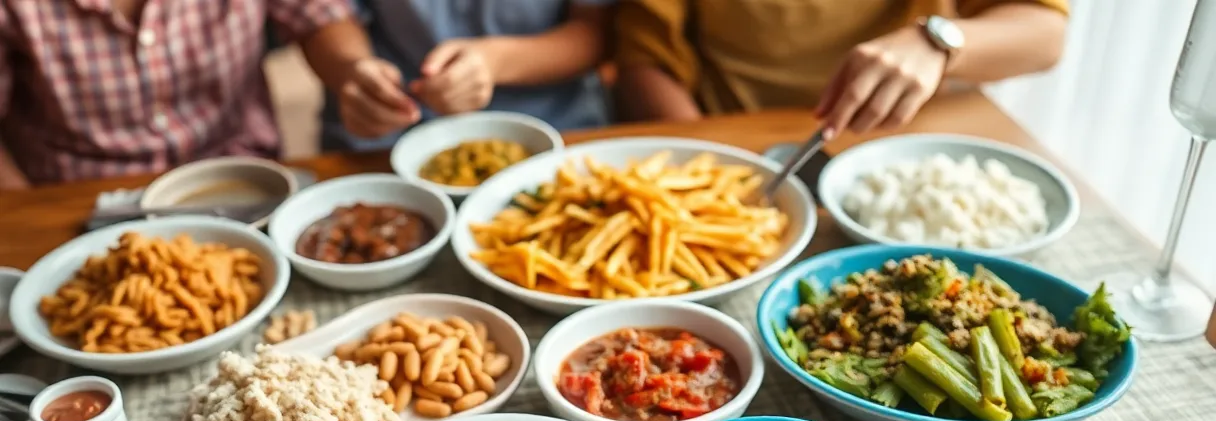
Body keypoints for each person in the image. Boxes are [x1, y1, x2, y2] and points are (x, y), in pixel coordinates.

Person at [0, 0, 412, 189]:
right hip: (84, 195)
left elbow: (319, 15)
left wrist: (353, 71)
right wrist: (26, 213)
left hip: (246, 176)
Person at [613, 0, 1069, 137]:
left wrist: (942, 41)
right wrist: (713, 170)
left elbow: (1044, 35)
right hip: (733, 139)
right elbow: (645, 56)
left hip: (896, 146)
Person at [320, 0, 616, 151]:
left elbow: (596, 30)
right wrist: (351, 69)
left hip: (555, 127)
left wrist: (495, 62)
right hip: (384, 138)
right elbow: (323, 14)